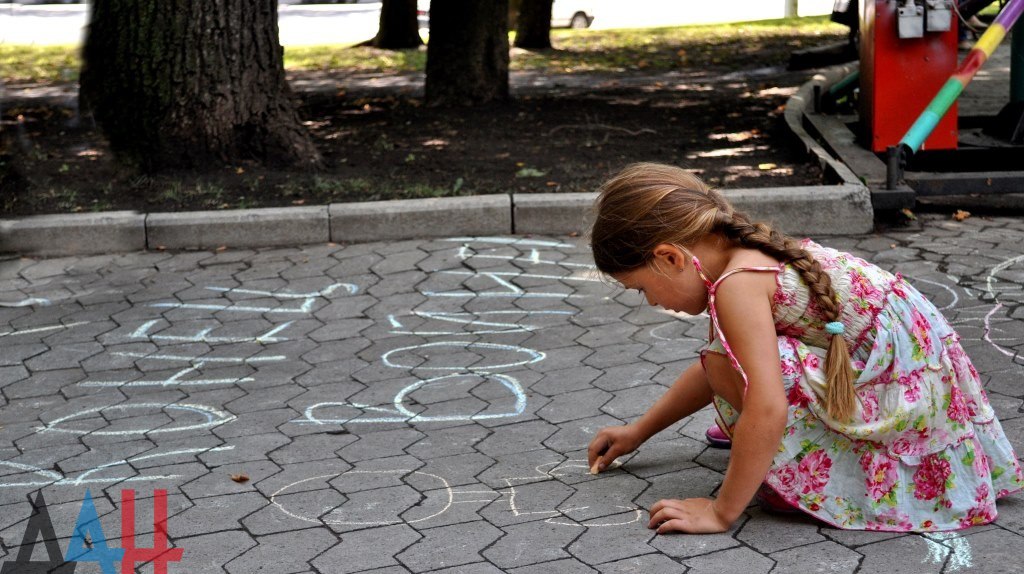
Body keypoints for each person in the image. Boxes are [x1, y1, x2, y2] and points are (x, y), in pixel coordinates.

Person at [586, 162, 1024, 533]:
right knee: (728, 365)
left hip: (904, 393)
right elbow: (713, 372)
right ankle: (780, 447)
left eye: (641, 288)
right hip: (905, 371)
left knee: (741, 378)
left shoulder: (737, 286)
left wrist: (721, 511)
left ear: (670, 257)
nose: (652, 303)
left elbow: (766, 405)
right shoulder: (739, 251)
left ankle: (803, 470)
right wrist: (637, 432)